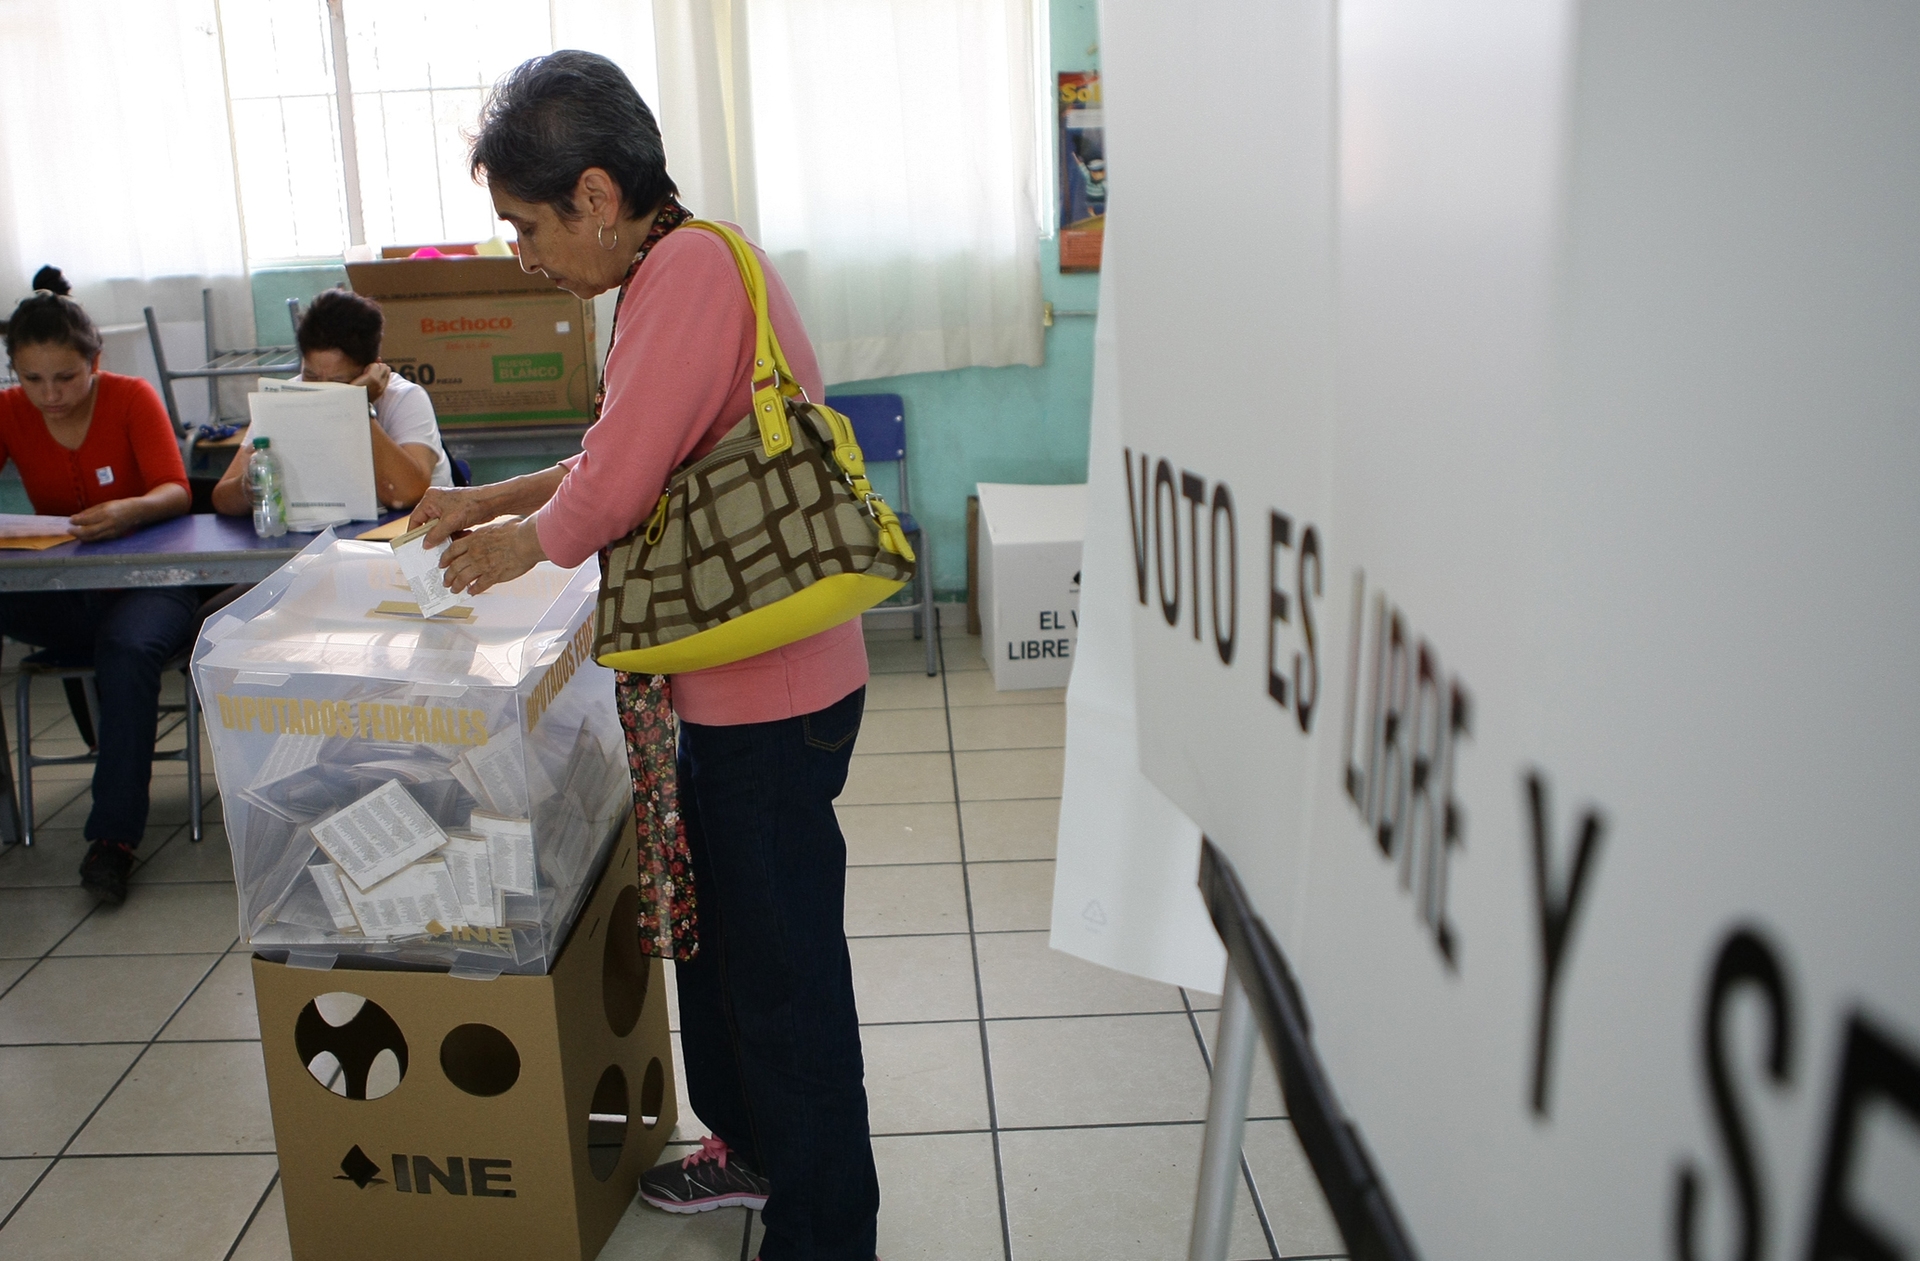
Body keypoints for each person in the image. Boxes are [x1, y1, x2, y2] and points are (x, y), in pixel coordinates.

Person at [411, 51, 878, 1261]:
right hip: (734, 688)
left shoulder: (686, 277)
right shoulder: (675, 272)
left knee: (787, 986)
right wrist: (488, 498)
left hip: (765, 700)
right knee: (734, 953)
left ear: (598, 198)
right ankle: (759, 1151)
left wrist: (515, 545)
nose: (524, 253)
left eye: (526, 226)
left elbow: (613, 488)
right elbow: (620, 448)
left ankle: (826, 1230)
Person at [0, 273, 196, 904]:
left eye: (65, 377)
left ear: (95, 362)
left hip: (152, 584)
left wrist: (129, 511)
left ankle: (112, 841)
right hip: (68, 590)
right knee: (108, 644)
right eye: (31, 380)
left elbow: (175, 489)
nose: (49, 395)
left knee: (127, 651)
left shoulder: (131, 397)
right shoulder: (8, 413)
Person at [211, 288, 452, 516]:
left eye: (339, 381)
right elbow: (222, 498)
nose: (321, 390)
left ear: (372, 369)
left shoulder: (405, 398)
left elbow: (405, 495)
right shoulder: (286, 397)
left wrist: (357, 406)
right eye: (312, 376)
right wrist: (249, 485)